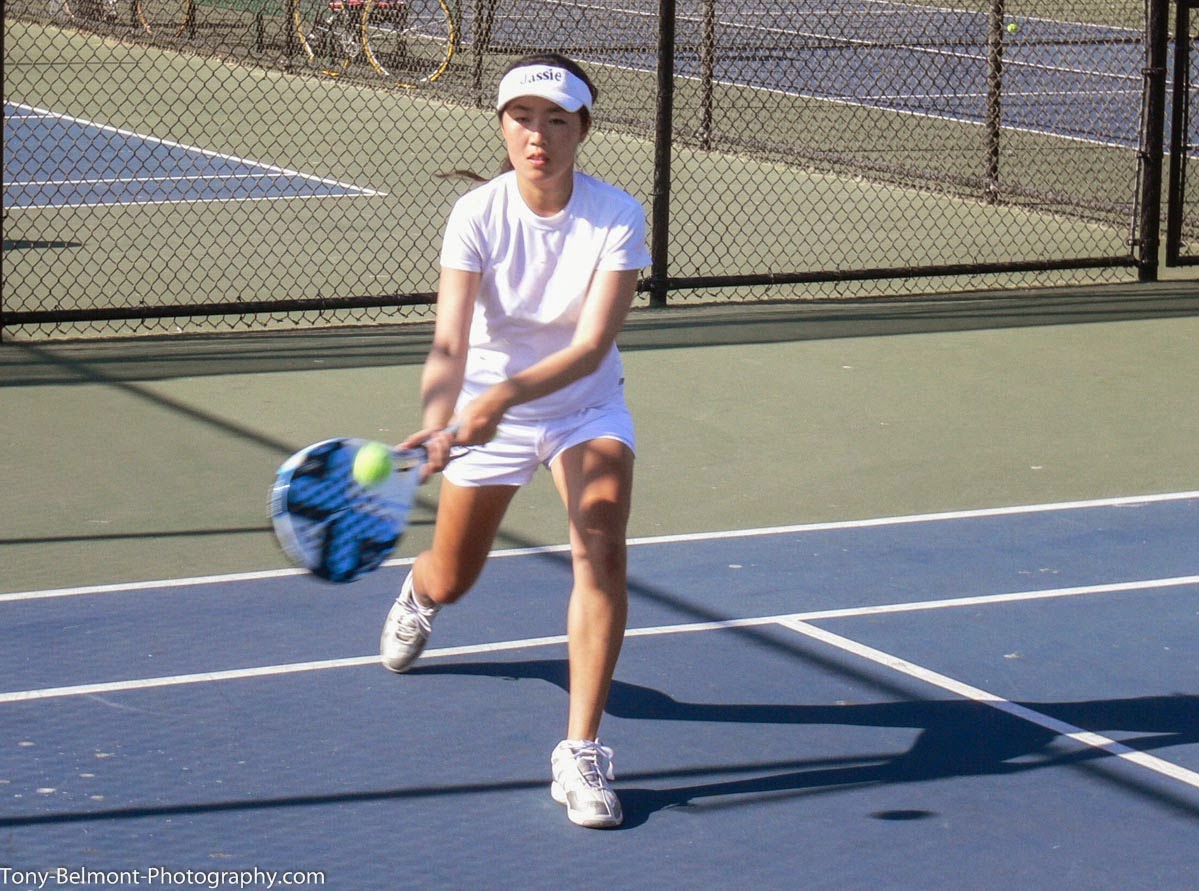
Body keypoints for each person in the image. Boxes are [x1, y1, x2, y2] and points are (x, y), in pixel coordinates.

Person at [379, 52, 651, 830]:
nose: (538, 135)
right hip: (484, 413)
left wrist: (501, 398)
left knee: (601, 543)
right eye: (523, 118)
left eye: (556, 120)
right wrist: (442, 416)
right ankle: (420, 593)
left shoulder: (616, 214)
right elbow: (449, 342)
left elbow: (591, 346)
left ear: (582, 130)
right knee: (453, 575)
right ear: (502, 127)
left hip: (583, 410)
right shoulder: (477, 214)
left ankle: (580, 749)